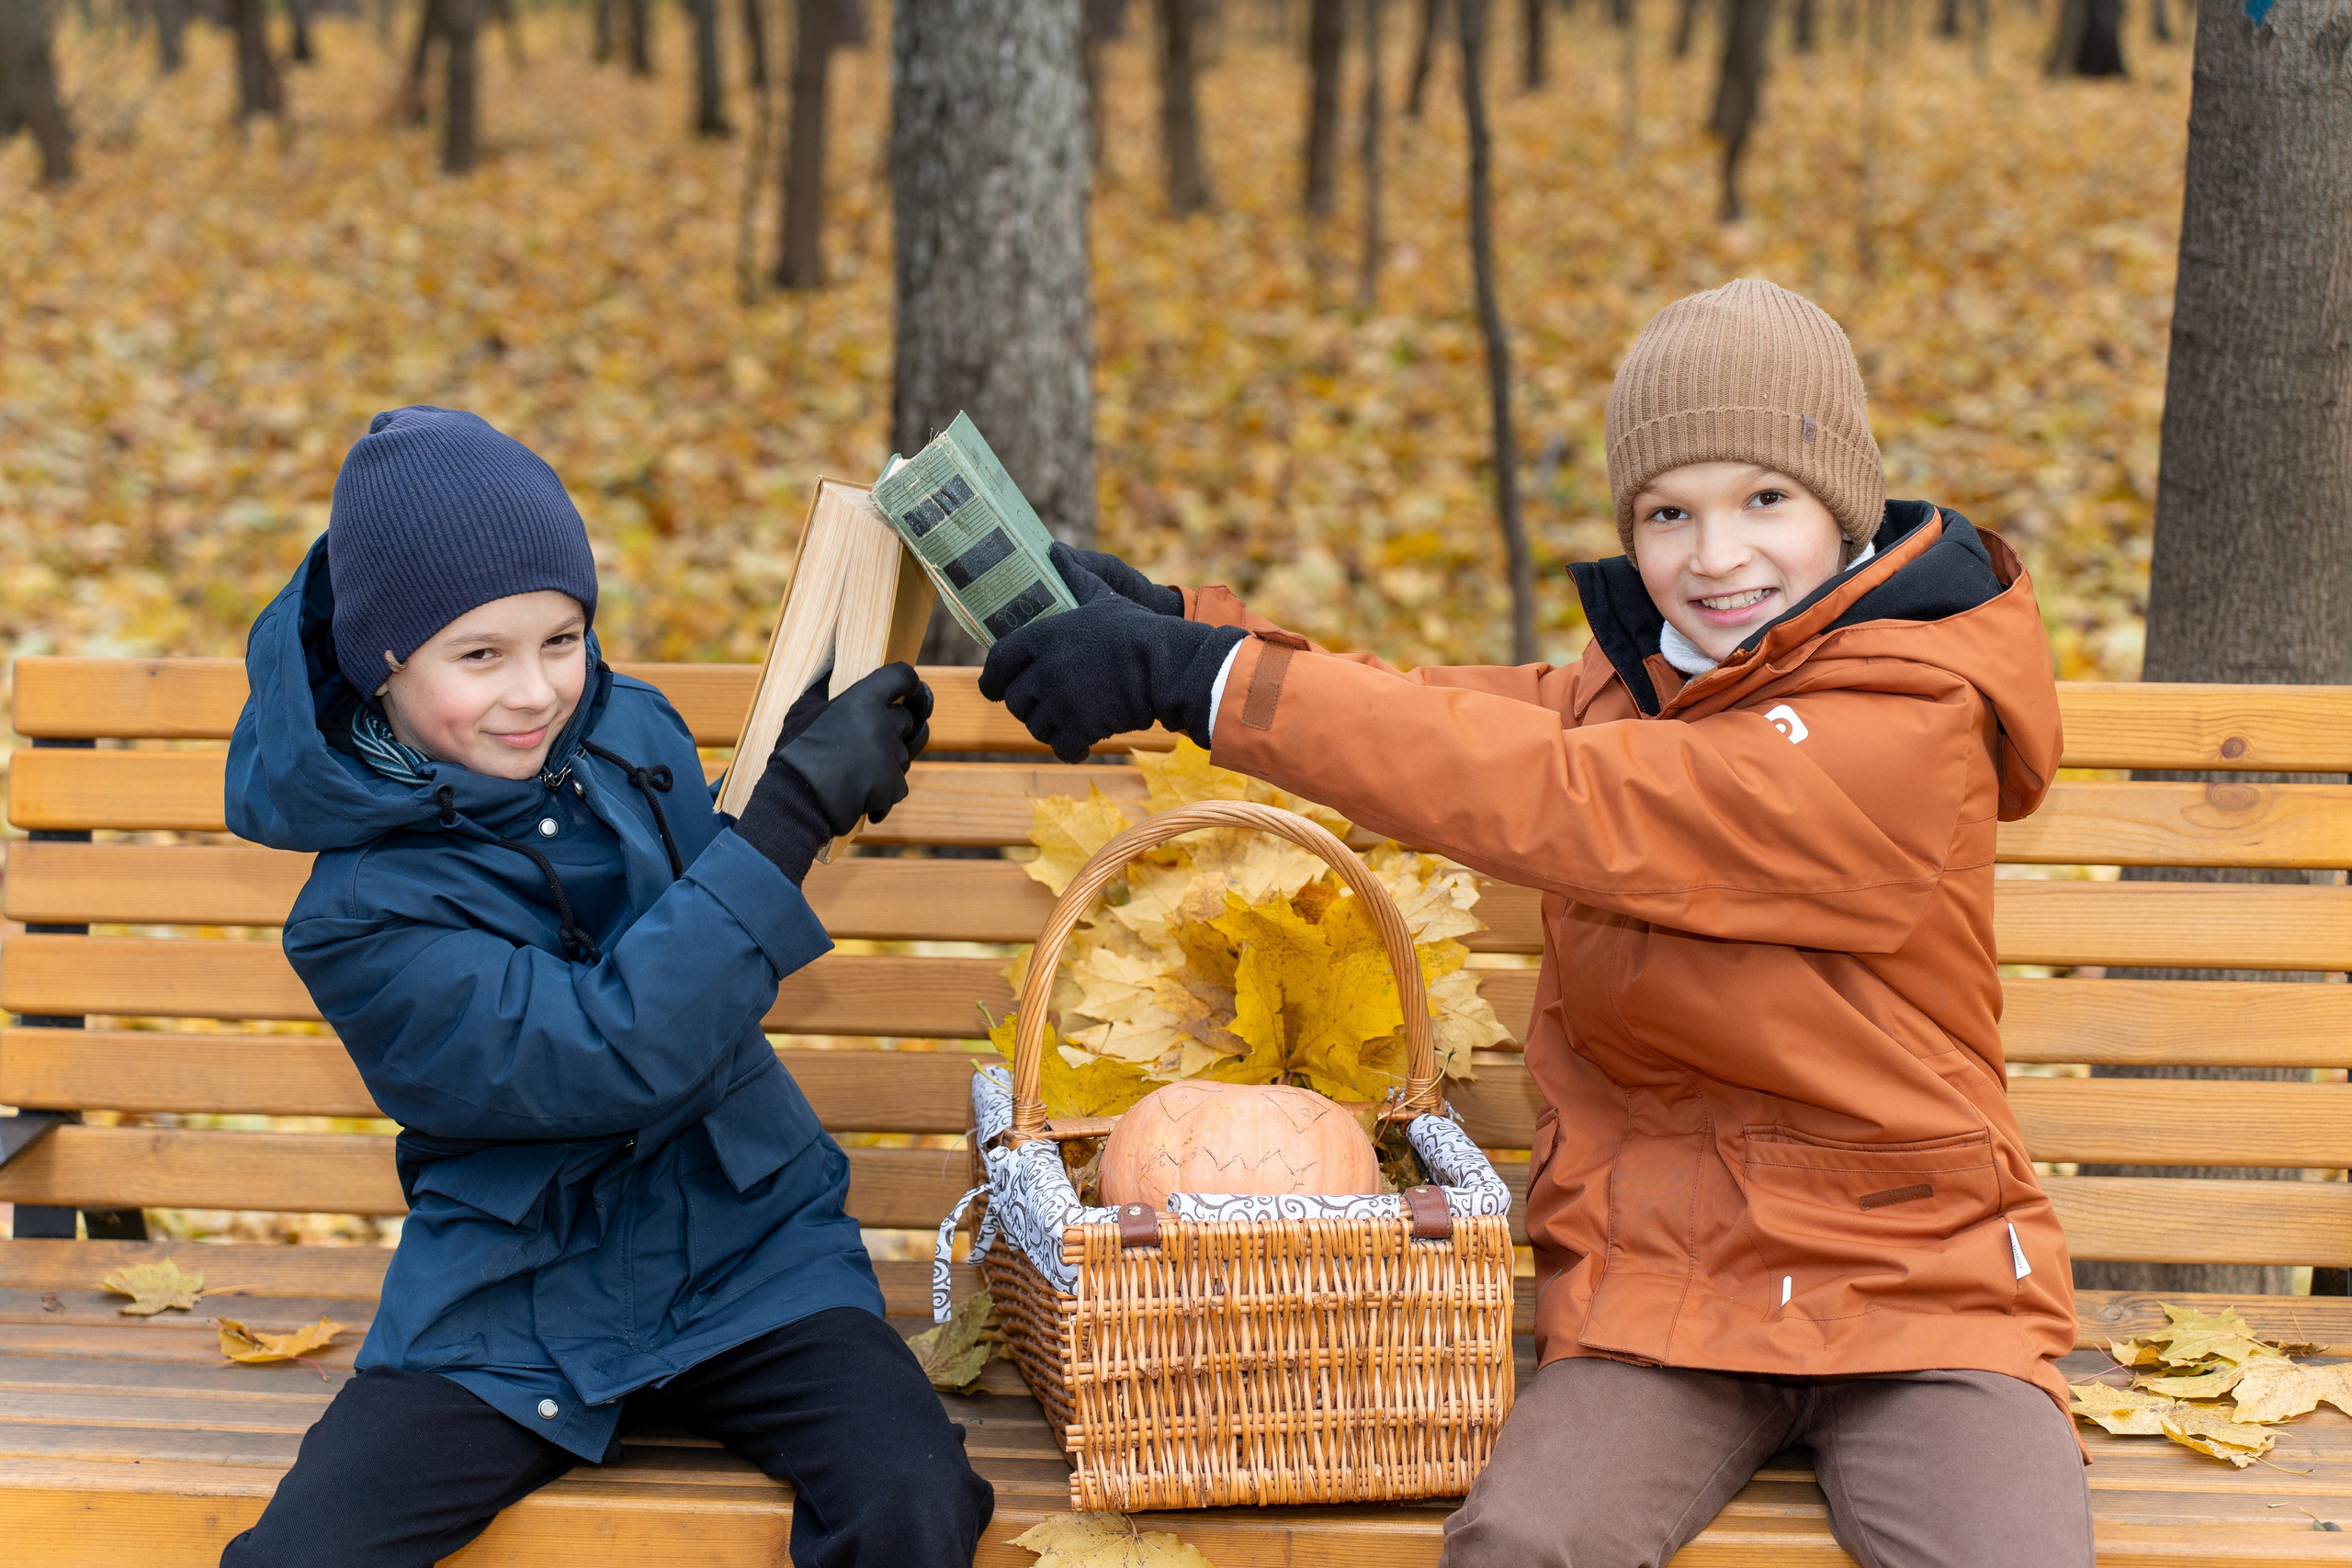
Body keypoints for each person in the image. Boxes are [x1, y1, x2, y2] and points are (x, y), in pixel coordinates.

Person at [979, 281, 2093, 1567]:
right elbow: (1454, 714)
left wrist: (1212, 683)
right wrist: (1195, 628)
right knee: (1522, 1543)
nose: (1715, 554)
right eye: (1668, 512)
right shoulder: (1647, 681)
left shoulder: (1907, 711)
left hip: (1917, 1282)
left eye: (1764, 501)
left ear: (1845, 506)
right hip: (1665, 1286)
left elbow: (1566, 798)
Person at [220, 406, 991, 1567]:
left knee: (914, 1500)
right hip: (508, 1298)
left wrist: (808, 761)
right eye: (478, 656)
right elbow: (602, 1055)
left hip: (750, 1254)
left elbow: (708, 952)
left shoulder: (629, 733)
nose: (535, 693)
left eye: (562, 639)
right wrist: (782, 825)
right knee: (306, 1555)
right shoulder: (357, 913)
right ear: (381, 664)